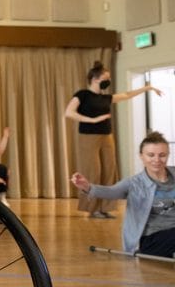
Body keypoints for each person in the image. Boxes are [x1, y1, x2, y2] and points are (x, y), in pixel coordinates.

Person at [64, 62, 162, 219]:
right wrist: (92, 120)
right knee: (93, 172)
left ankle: (104, 208)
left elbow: (127, 94)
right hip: (88, 138)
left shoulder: (106, 97)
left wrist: (148, 88)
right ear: (95, 79)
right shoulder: (82, 95)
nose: (108, 80)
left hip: (107, 136)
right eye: (106, 78)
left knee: (109, 171)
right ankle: (92, 208)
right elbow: (69, 112)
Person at [71, 131, 175, 258]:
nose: (157, 160)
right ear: (141, 156)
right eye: (151, 155)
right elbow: (111, 191)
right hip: (151, 239)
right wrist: (88, 187)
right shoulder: (134, 183)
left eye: (162, 155)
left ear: (168, 155)